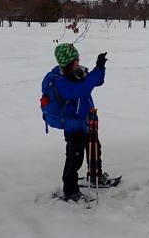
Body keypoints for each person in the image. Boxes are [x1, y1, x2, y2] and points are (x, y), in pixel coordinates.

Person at [42, 43, 111, 202]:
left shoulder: (76, 73)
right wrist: (97, 71)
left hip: (87, 121)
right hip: (74, 125)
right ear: (69, 61)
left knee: (95, 147)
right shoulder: (62, 82)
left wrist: (100, 67)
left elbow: (97, 82)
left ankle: (95, 176)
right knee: (74, 157)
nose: (79, 60)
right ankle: (70, 190)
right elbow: (84, 89)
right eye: (76, 58)